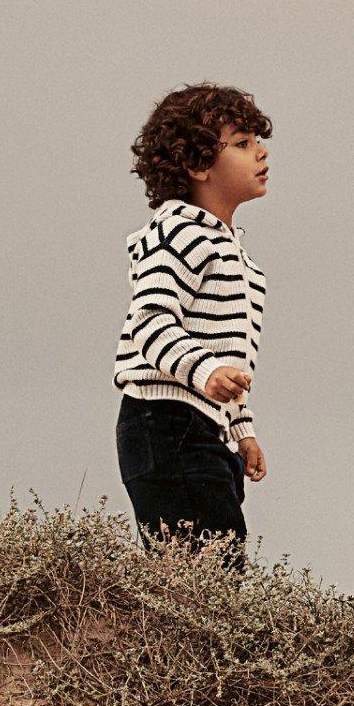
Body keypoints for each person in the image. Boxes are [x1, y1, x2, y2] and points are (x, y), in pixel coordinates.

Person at [112, 83, 272, 567]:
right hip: (163, 422)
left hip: (206, 426)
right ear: (198, 166)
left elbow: (229, 361)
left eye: (257, 141)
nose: (260, 151)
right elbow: (151, 320)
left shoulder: (235, 253)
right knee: (203, 567)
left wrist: (241, 429)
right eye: (241, 144)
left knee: (221, 556)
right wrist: (204, 374)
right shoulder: (179, 229)